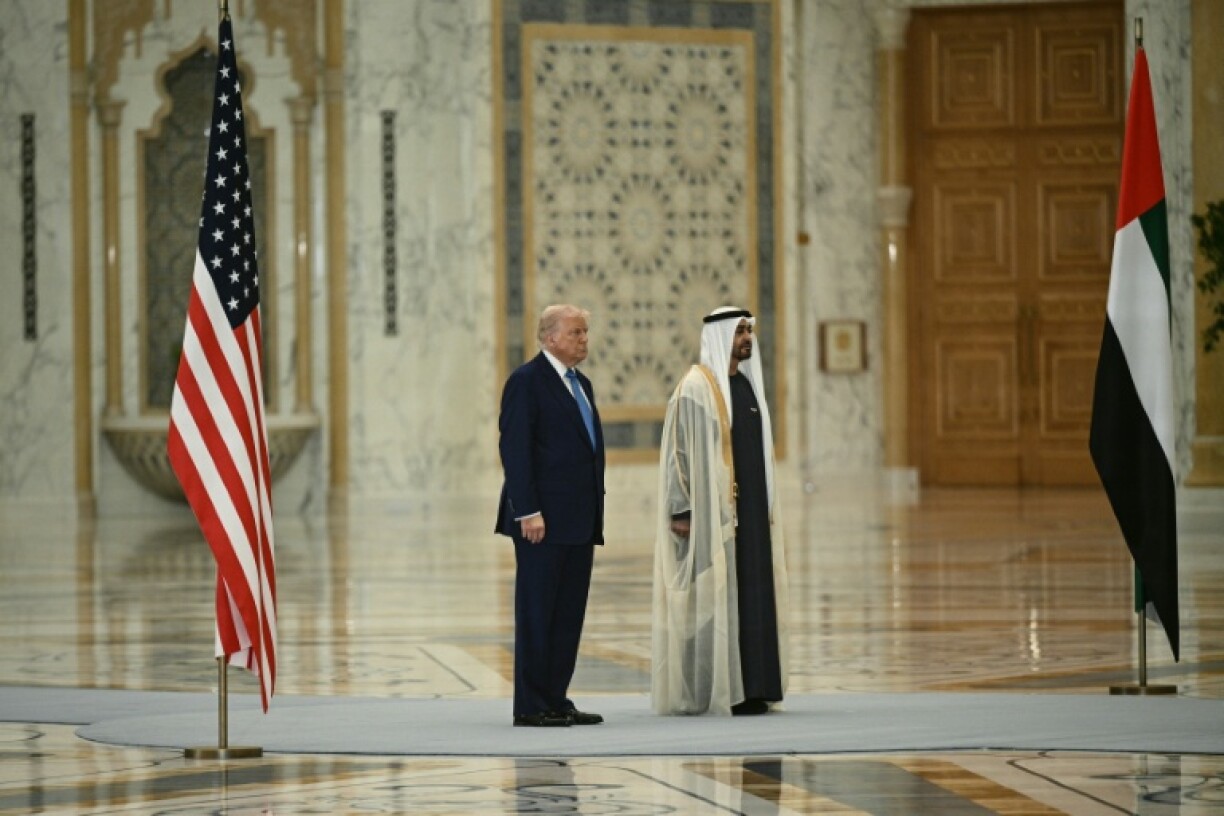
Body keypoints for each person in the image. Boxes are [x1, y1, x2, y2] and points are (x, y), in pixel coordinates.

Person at [652, 306, 789, 716]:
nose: (747, 338)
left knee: (753, 595)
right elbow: (678, 452)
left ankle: (755, 687)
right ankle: (713, 690)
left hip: (752, 516)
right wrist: (682, 509)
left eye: (749, 331)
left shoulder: (744, 386)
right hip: (715, 516)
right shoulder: (696, 388)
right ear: (720, 335)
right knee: (712, 599)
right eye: (739, 331)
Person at [495, 304, 606, 727]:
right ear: (550, 337)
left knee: (567, 614)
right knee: (538, 612)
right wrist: (528, 510)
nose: (584, 339)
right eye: (576, 332)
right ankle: (530, 704)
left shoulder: (582, 384)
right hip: (541, 521)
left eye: (585, 332)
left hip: (579, 519)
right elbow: (515, 449)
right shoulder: (527, 381)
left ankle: (556, 697)